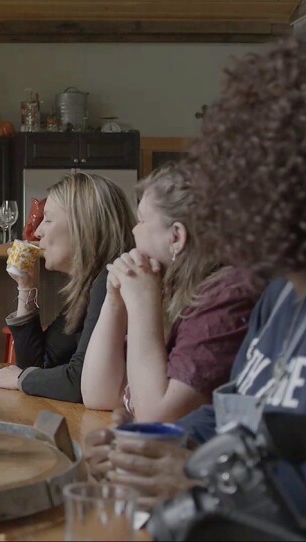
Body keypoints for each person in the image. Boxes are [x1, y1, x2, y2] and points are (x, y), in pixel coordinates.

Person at [84, 36, 306, 507]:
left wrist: (200, 479)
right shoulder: (280, 297)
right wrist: (158, 446)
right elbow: (235, 414)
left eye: (244, 179)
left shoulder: (237, 289)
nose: (225, 206)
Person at [81, 164, 260, 422]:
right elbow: (99, 395)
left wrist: (142, 304)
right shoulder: (171, 286)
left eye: (141, 220)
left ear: (176, 236)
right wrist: (114, 302)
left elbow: (155, 418)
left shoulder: (225, 298)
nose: (133, 230)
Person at [0, 172, 135, 402]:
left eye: (48, 219)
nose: (37, 232)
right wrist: (26, 286)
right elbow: (38, 365)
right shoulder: (90, 284)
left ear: (83, 225)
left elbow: (81, 381)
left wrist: (21, 380)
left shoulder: (112, 280)